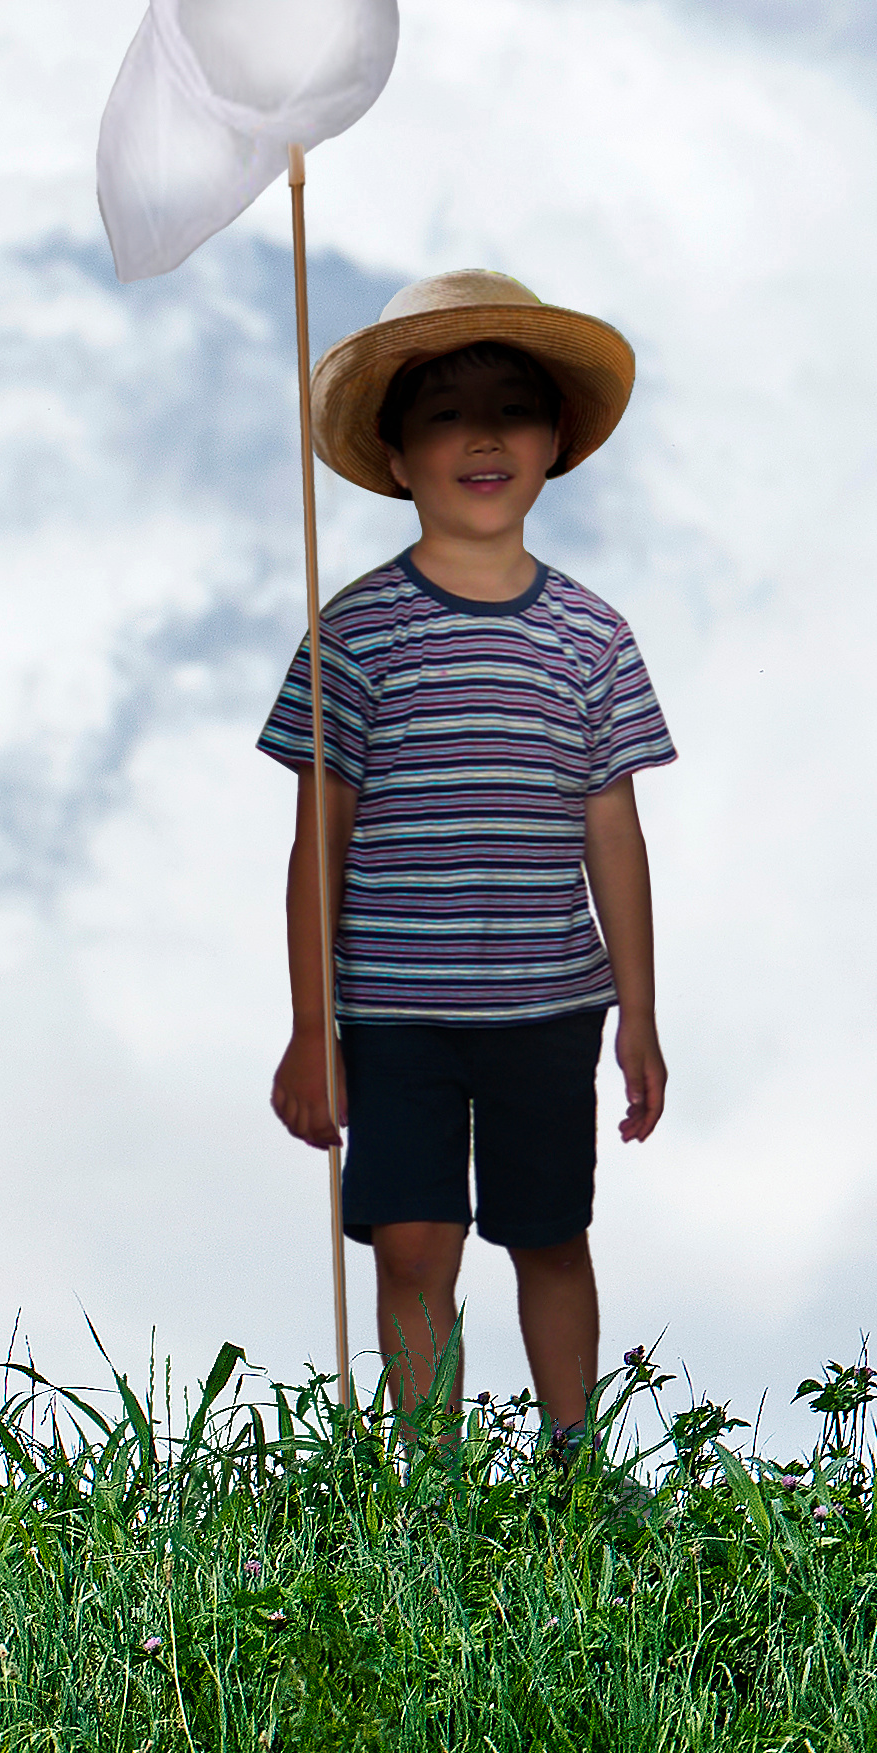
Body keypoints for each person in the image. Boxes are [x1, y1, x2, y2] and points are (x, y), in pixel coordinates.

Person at [260, 267, 677, 1455]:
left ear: (555, 445)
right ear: (397, 456)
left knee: (550, 1233)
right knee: (411, 1242)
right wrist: (310, 1025)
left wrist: (640, 1014)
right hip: (395, 1011)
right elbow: (318, 839)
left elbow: (614, 829)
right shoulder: (354, 633)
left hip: (549, 1005)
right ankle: (430, 1486)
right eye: (446, 414)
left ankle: (574, 1462)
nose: (483, 437)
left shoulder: (593, 635)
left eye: (512, 410)